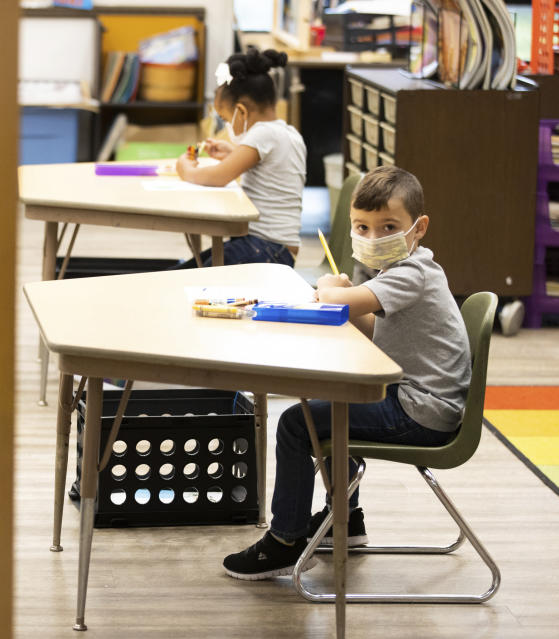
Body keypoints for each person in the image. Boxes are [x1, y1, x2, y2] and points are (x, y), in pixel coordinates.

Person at [223, 165, 472, 580]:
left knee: (296, 423)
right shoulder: (401, 271)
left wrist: (332, 287)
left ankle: (284, 541)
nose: (372, 238)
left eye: (388, 226)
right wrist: (345, 298)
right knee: (335, 407)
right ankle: (345, 521)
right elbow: (376, 328)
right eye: (363, 227)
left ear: (419, 227)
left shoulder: (412, 273)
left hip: (423, 412)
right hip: (418, 400)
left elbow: (337, 301)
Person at [173, 47, 306, 268]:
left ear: (242, 112)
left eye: (225, 117)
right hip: (275, 249)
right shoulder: (287, 133)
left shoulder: (262, 134)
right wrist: (233, 153)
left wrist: (185, 168)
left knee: (180, 278)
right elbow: (271, 169)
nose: (226, 124)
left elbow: (217, 177)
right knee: (186, 272)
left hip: (264, 248)